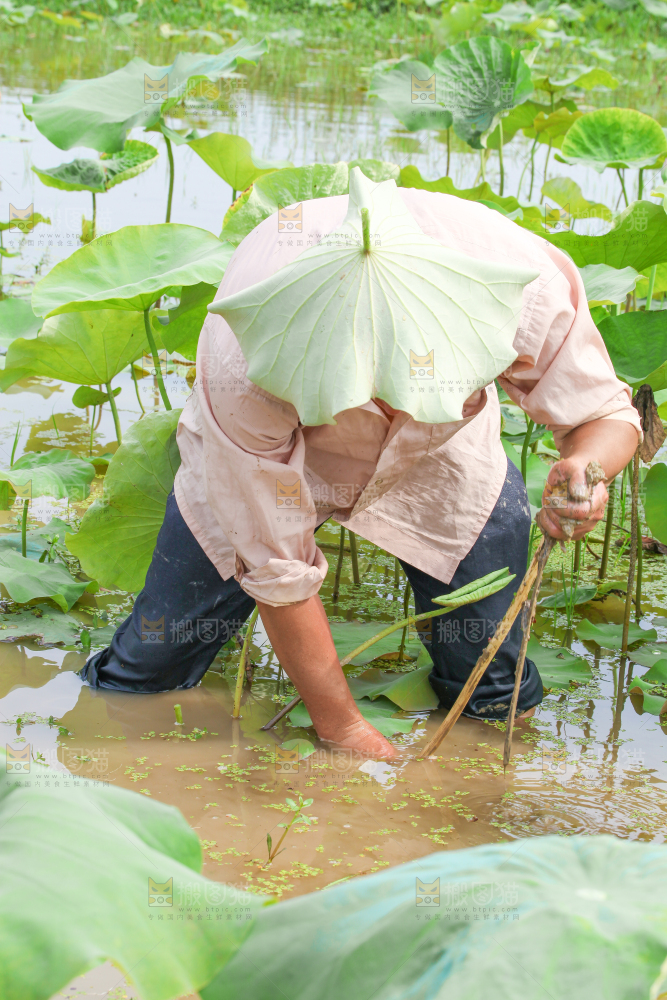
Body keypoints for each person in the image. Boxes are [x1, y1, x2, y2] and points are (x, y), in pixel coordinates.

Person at [80, 176, 640, 760]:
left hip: (445, 459)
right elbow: (278, 570)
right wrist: (342, 729)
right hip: (276, 461)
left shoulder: (517, 283)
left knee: (492, 689)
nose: (393, 402)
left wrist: (584, 465)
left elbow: (602, 412)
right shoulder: (246, 353)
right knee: (148, 668)